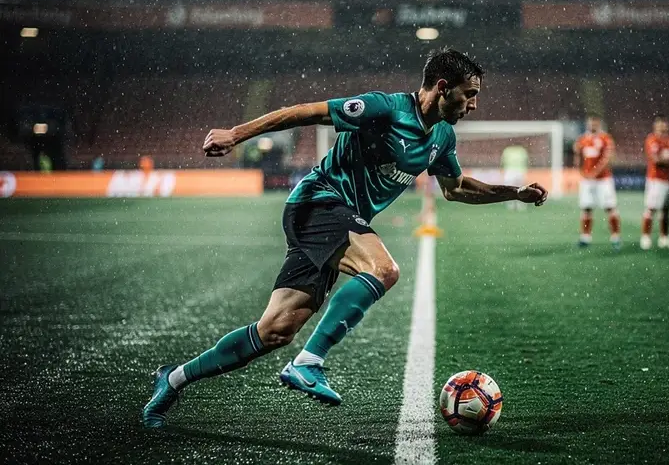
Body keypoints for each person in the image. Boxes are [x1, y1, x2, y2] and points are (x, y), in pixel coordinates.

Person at [141, 48, 548, 427]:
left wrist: (514, 193)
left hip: (337, 221)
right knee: (384, 269)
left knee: (276, 330)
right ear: (443, 87)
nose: (473, 104)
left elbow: (455, 188)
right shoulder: (385, 109)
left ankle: (173, 378)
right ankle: (308, 363)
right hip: (318, 202)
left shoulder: (442, 137)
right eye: (469, 94)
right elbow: (305, 112)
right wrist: (236, 133)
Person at [574, 115, 621, 250]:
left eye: (595, 122)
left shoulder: (606, 138)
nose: (592, 125)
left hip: (603, 180)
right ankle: (585, 237)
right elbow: (578, 158)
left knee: (610, 207)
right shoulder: (582, 139)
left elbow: (608, 158)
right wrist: (582, 172)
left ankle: (615, 237)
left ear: (599, 123)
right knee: (586, 208)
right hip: (587, 180)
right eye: (590, 122)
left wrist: (595, 172)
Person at [640, 115, 669, 250]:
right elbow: (656, 161)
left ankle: (664, 238)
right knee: (651, 208)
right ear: (655, 126)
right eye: (660, 123)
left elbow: (668, 160)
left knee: (666, 210)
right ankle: (645, 237)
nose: (662, 126)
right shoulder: (652, 139)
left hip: (668, 180)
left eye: (664, 123)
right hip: (655, 179)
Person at [501, 144, 529, 211]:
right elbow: (527, 160)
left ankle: (512, 204)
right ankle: (519, 204)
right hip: (518, 171)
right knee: (520, 188)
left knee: (510, 188)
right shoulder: (521, 150)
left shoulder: (507, 150)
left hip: (511, 171)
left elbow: (502, 161)